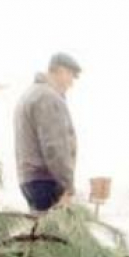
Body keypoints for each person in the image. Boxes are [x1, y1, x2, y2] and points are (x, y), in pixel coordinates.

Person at [14, 52, 81, 211]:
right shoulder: (48, 98)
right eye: (71, 75)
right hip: (47, 180)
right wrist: (68, 187)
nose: (71, 83)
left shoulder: (29, 94)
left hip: (29, 179)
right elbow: (55, 147)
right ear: (60, 71)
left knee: (40, 232)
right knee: (56, 235)